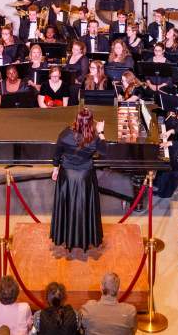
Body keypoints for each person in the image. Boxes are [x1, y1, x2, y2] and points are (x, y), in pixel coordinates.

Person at [51, 107, 105, 253]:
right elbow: (104, 151)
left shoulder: (65, 134)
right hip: (84, 177)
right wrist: (100, 132)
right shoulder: (94, 138)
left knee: (67, 206)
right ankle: (85, 238)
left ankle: (65, 236)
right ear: (91, 122)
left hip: (67, 176)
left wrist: (55, 168)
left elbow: (56, 154)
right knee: (84, 207)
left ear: (77, 119)